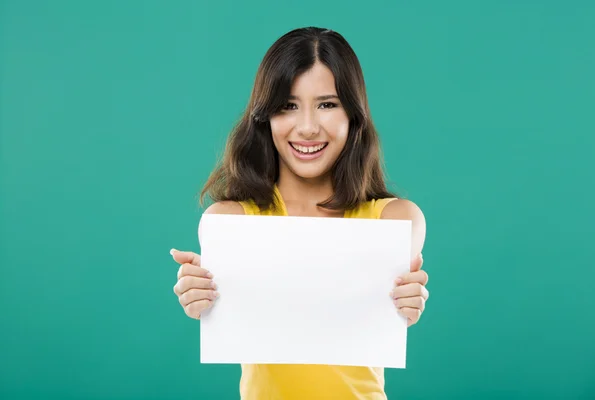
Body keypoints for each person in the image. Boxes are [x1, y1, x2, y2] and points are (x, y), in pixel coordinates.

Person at [171, 26, 429, 400]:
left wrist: (405, 303)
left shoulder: (396, 220)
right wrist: (201, 295)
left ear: (353, 116)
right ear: (265, 117)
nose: (307, 128)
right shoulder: (230, 222)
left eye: (327, 104)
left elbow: (378, 315)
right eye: (288, 106)